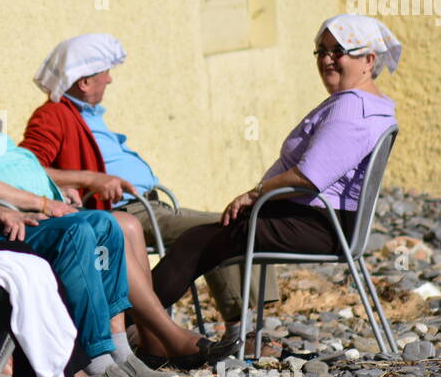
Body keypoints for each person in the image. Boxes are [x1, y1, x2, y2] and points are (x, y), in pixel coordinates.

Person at [0, 23, 238, 377]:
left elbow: (10, 166)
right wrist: (44, 202)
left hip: (31, 210)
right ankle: (120, 350)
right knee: (103, 227)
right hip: (5, 221)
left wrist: (55, 192)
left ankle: (126, 348)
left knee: (111, 226)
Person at [150, 14, 401, 351]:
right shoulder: (374, 105)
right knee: (205, 239)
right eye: (321, 51)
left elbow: (308, 178)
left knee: (194, 243)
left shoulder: (351, 109)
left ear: (368, 59)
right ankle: (151, 331)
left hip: (317, 224)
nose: (327, 59)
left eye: (338, 51)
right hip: (324, 220)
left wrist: (253, 195)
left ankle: (123, 328)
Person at [21, 33, 276, 337]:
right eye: (105, 73)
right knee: (226, 225)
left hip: (149, 205)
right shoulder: (53, 115)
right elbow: (28, 168)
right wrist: (87, 180)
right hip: (124, 210)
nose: (110, 80)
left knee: (237, 222)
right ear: (84, 82)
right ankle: (242, 331)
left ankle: (248, 324)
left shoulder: (87, 115)